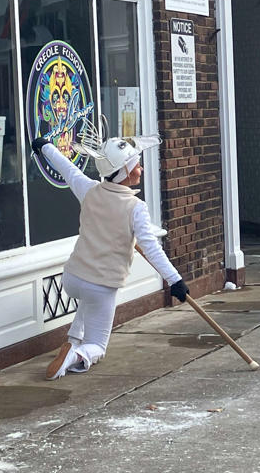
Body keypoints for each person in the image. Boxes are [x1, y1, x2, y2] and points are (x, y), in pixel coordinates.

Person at [32, 117, 190, 379]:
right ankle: (77, 354)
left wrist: (45, 146)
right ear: (126, 172)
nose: (140, 168)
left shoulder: (90, 190)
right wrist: (175, 280)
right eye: (136, 165)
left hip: (72, 278)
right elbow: (151, 248)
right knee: (98, 347)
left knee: (88, 304)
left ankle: (72, 339)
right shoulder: (135, 208)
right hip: (100, 284)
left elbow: (67, 168)